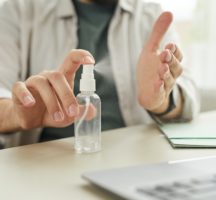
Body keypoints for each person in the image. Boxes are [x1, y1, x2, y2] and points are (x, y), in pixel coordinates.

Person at [0, 0, 200, 145]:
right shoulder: (19, 11)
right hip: (44, 164)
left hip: (134, 159)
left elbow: (191, 98)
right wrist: (16, 114)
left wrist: (162, 101)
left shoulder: (152, 16)